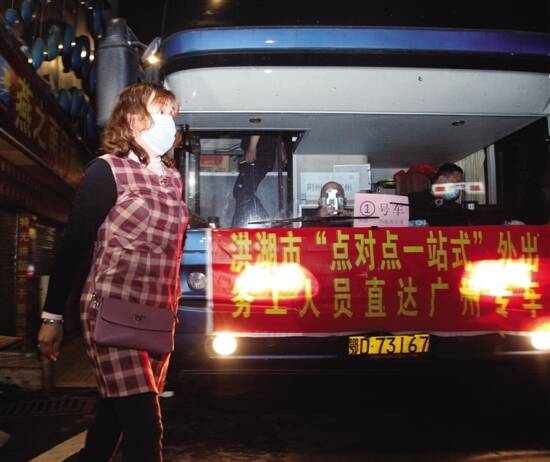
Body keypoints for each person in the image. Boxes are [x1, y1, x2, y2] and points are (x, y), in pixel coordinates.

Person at [37, 82, 188, 462]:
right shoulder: (107, 171)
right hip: (112, 311)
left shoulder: (173, 179)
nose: (169, 122)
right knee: (144, 426)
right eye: (160, 112)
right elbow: (73, 245)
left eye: (172, 114)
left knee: (114, 415)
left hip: (157, 315)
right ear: (133, 119)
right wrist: (52, 316)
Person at [231, 134, 278, 227]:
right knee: (242, 192)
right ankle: (263, 219)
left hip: (261, 152)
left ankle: (264, 219)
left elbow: (258, 126)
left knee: (242, 192)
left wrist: (252, 148)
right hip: (261, 152)